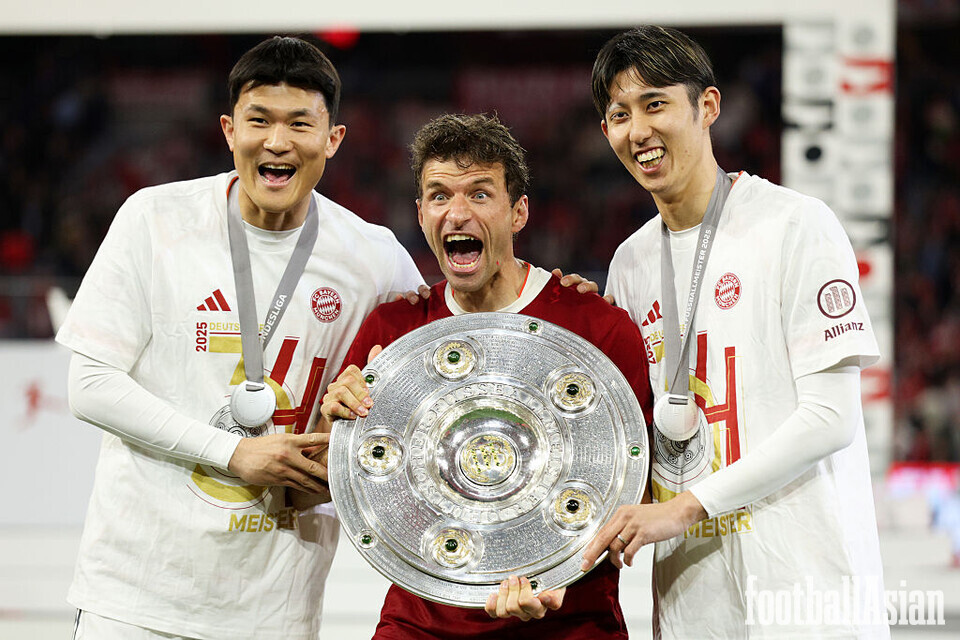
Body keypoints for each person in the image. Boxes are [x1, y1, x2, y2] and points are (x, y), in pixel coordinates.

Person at [56, 36, 424, 639]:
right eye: (260, 120)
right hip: (135, 599)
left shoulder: (373, 257)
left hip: (275, 610)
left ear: (333, 139)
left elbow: (448, 350)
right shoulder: (154, 219)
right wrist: (235, 453)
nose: (277, 142)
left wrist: (547, 290)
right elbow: (90, 385)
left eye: (300, 123)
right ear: (229, 131)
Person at [580, 26, 889, 638]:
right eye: (619, 114)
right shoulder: (630, 263)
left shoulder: (796, 225)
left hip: (806, 593)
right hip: (695, 603)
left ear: (709, 107)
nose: (636, 130)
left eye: (655, 104)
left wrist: (683, 509)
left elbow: (831, 416)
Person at [319, 113, 653, 639]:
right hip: (423, 624)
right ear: (420, 212)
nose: (457, 213)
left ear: (518, 212)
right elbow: (357, 482)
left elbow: (635, 491)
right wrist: (339, 417)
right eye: (438, 196)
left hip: (569, 622)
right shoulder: (395, 332)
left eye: (479, 194)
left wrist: (563, 567)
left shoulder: (595, 329)